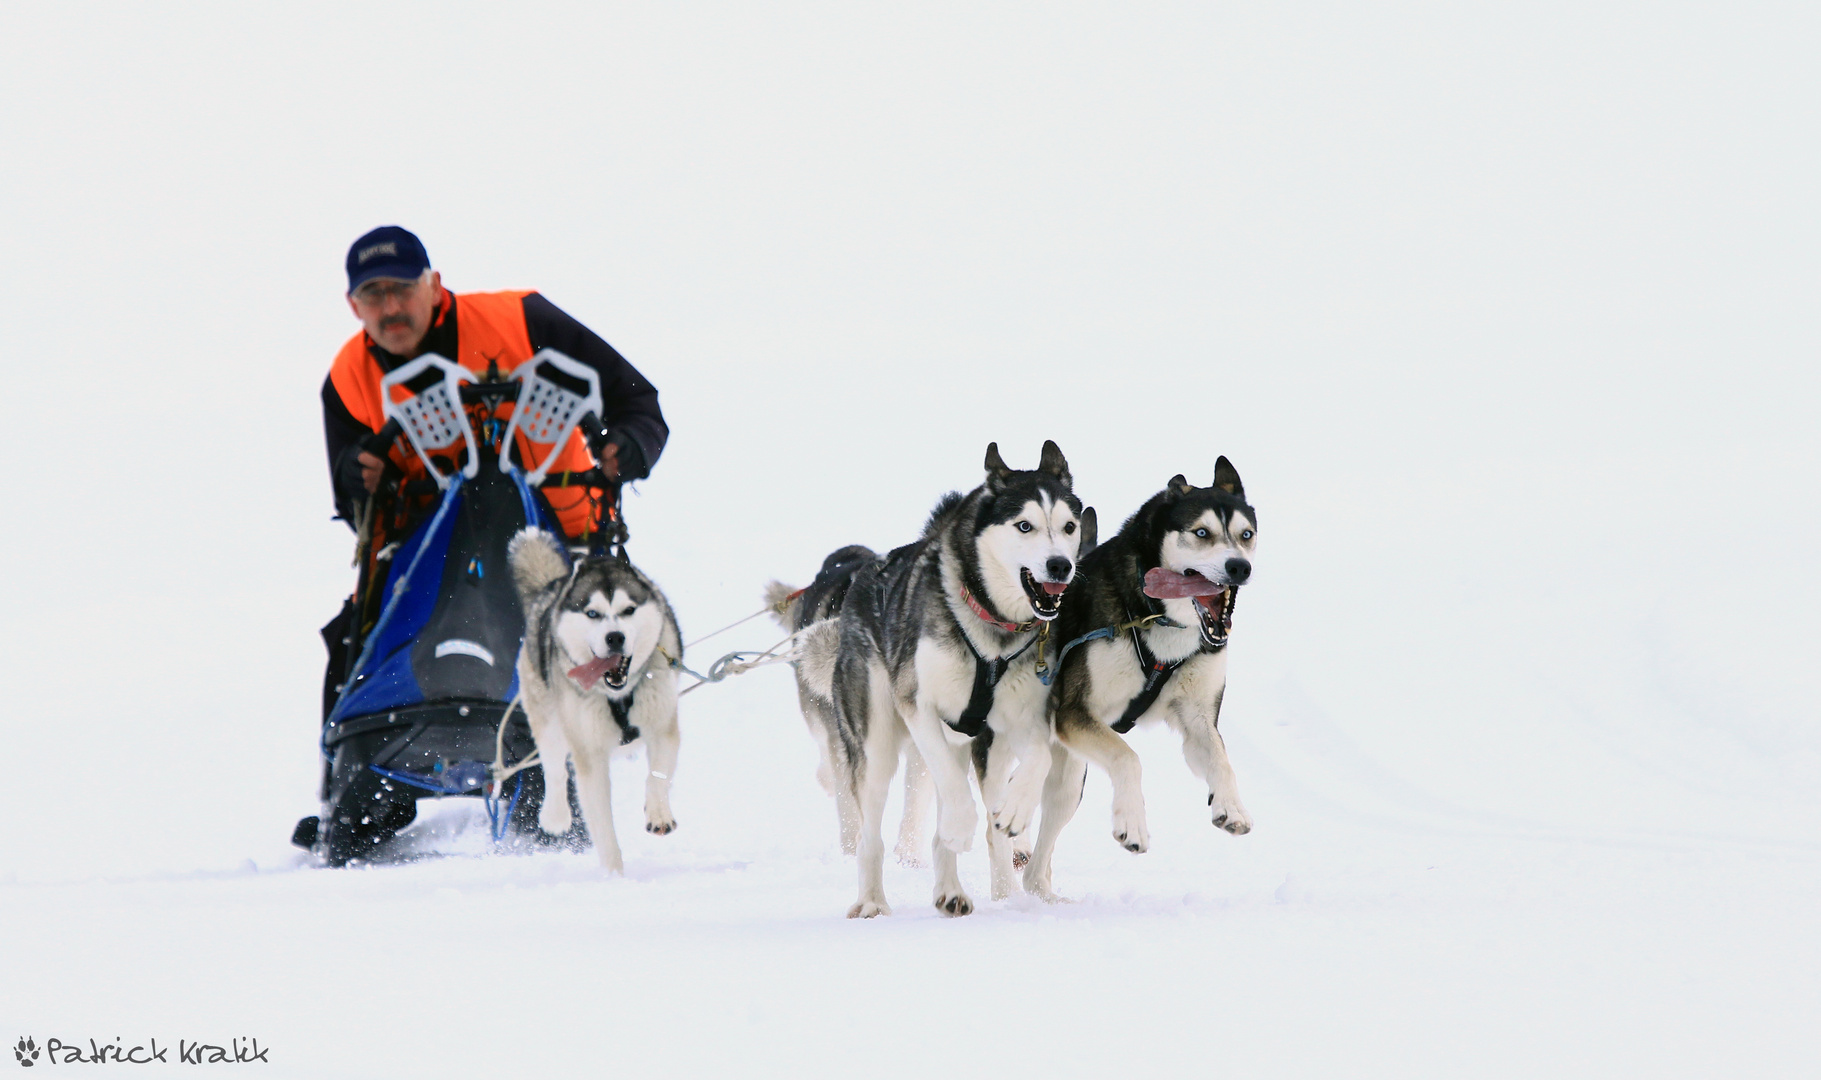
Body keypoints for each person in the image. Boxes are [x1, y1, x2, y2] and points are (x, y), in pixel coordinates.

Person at [323, 225, 667, 539]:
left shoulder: (523, 321)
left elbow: (636, 401)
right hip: (430, 562)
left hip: (567, 543)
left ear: (434, 287)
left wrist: (633, 447)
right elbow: (350, 500)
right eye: (373, 295)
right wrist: (355, 478)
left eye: (403, 288)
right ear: (354, 306)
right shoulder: (347, 379)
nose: (391, 307)